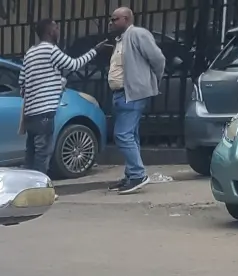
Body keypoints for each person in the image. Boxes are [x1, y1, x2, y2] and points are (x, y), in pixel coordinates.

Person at [18, 19, 107, 174]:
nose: (58, 31)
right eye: (56, 28)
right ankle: (40, 188)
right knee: (42, 154)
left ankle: (28, 187)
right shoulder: (50, 50)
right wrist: (95, 50)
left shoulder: (30, 52)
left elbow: (22, 82)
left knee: (31, 154)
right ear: (50, 32)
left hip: (30, 114)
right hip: (45, 113)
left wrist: (52, 82)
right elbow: (74, 64)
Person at [106, 6, 168, 193]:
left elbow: (158, 59)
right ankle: (131, 174)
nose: (111, 22)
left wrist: (150, 81)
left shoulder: (138, 34)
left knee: (122, 135)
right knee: (131, 135)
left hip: (132, 93)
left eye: (115, 19)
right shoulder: (121, 40)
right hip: (121, 93)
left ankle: (138, 174)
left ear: (126, 19)